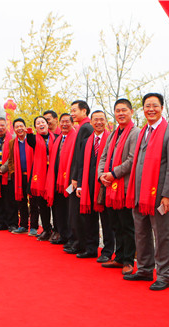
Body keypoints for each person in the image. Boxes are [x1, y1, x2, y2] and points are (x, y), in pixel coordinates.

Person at [124, 92, 169, 291]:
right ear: (143, 109)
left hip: (158, 196)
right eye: (147, 106)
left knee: (162, 235)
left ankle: (164, 275)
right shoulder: (142, 132)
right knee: (141, 233)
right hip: (139, 193)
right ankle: (144, 269)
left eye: (155, 105)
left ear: (162, 108)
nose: (151, 109)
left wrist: (168, 195)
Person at [98, 98, 140, 275]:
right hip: (110, 186)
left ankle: (129, 261)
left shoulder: (135, 133)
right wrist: (101, 175)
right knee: (115, 224)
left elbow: (132, 159)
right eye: (118, 111)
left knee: (127, 225)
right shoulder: (114, 134)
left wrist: (114, 173)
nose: (121, 113)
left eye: (124, 110)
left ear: (131, 112)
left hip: (125, 186)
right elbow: (103, 156)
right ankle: (119, 256)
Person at [75, 110, 115, 261]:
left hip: (104, 184)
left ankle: (107, 251)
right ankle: (91, 248)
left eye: (101, 119)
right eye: (95, 120)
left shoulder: (111, 139)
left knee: (107, 220)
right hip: (88, 183)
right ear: (91, 122)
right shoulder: (86, 141)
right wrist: (80, 185)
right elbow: (81, 165)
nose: (98, 122)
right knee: (89, 218)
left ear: (106, 121)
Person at [44, 113, 78, 244]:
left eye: (67, 121)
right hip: (57, 182)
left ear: (72, 123)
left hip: (70, 182)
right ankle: (63, 235)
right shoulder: (58, 139)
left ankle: (72, 237)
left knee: (70, 209)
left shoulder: (75, 138)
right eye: (62, 122)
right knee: (60, 209)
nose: (64, 124)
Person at [67, 100, 94, 255]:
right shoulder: (80, 127)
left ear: (84, 111)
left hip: (79, 178)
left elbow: (81, 156)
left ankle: (81, 244)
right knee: (73, 211)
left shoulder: (86, 128)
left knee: (78, 212)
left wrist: (76, 178)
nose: (72, 113)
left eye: (74, 110)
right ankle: (76, 242)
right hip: (76, 176)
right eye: (71, 110)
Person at [8, 118, 37, 234]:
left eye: (21, 126)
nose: (19, 128)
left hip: (32, 175)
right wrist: (13, 172)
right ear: (14, 129)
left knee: (33, 201)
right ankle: (23, 225)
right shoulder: (12, 143)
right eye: (17, 127)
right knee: (21, 201)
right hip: (19, 176)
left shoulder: (32, 139)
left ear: (25, 127)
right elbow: (10, 160)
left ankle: (34, 227)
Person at [28, 115, 55, 240]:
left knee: (56, 204)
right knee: (42, 205)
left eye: (43, 122)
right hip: (40, 175)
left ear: (47, 124)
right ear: (35, 127)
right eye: (38, 123)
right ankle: (46, 229)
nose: (41, 124)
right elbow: (30, 141)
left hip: (53, 173)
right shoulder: (34, 139)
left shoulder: (55, 137)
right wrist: (29, 133)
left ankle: (58, 230)